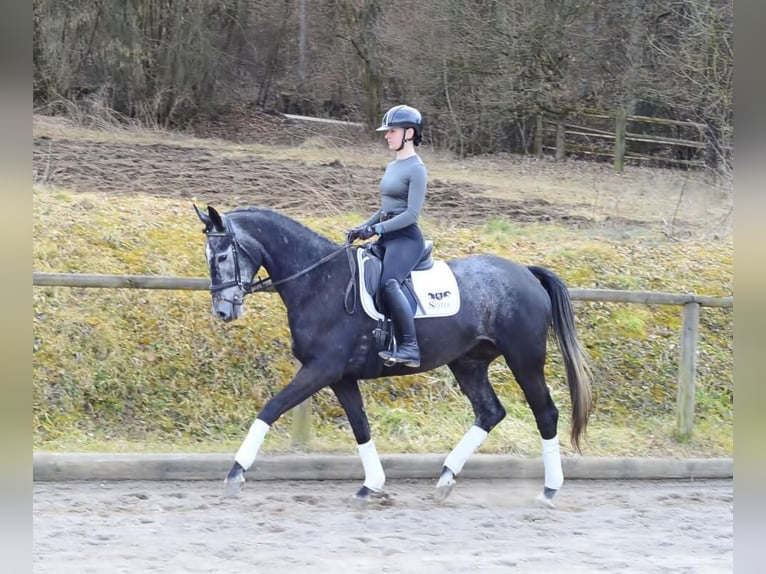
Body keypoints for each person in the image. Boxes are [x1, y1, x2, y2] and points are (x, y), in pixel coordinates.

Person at [347, 104, 427, 368]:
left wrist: (377, 229)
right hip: (387, 237)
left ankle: (410, 347)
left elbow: (411, 215)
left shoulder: (417, 169)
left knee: (388, 282)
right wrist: (363, 227)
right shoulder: (393, 165)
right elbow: (386, 208)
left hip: (406, 239)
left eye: (391, 131)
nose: (386, 136)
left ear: (410, 133)